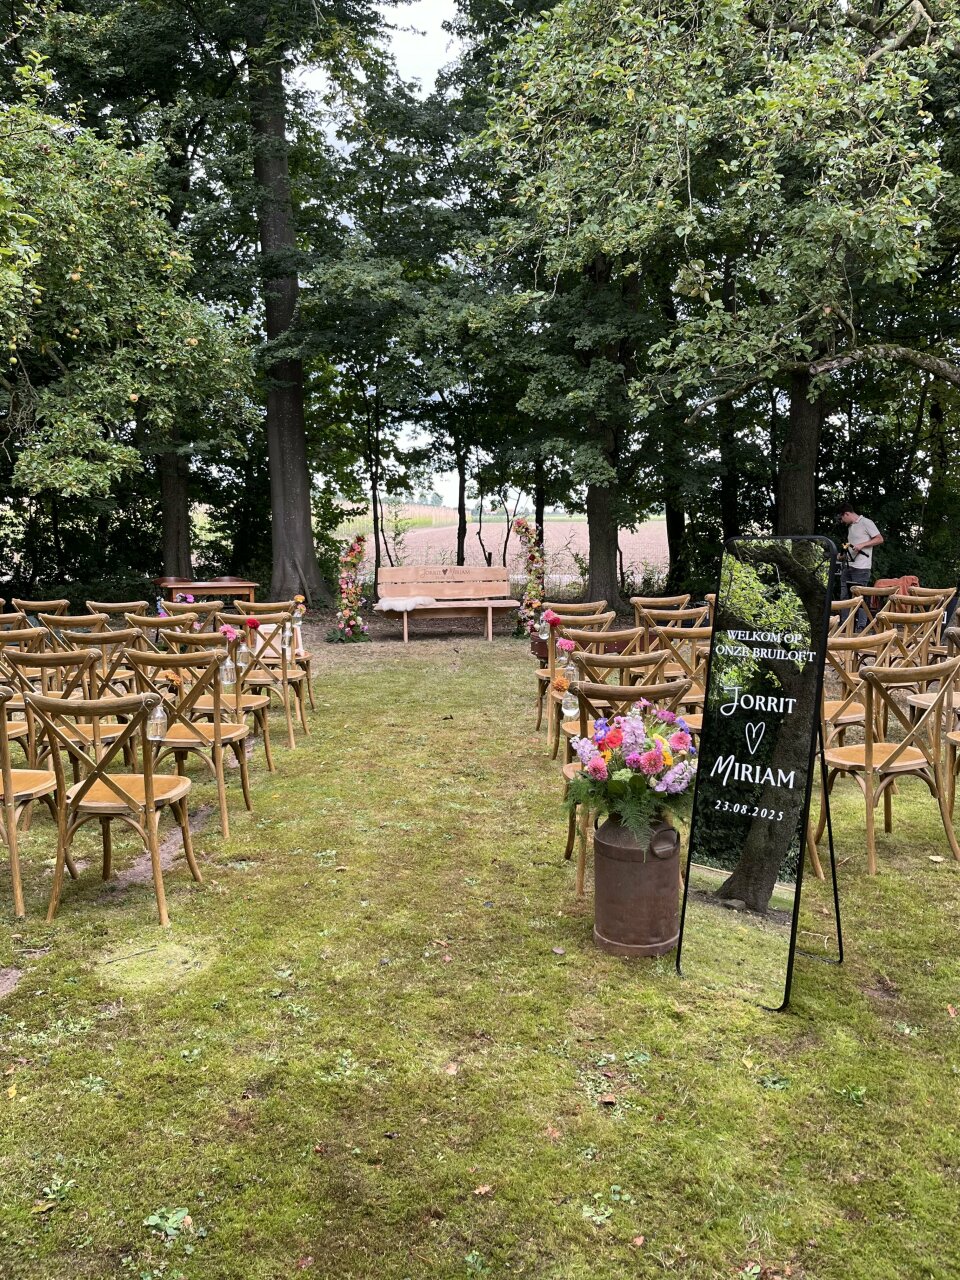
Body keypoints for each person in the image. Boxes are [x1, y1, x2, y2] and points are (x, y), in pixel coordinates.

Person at [838, 501, 884, 631]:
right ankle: (845, 625)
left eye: (842, 518)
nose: (842, 521)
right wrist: (843, 556)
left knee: (860, 597)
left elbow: (880, 539)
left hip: (862, 568)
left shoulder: (866, 522)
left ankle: (861, 627)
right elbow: (851, 547)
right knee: (844, 596)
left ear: (847, 514)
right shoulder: (850, 527)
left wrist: (863, 545)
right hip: (848, 565)